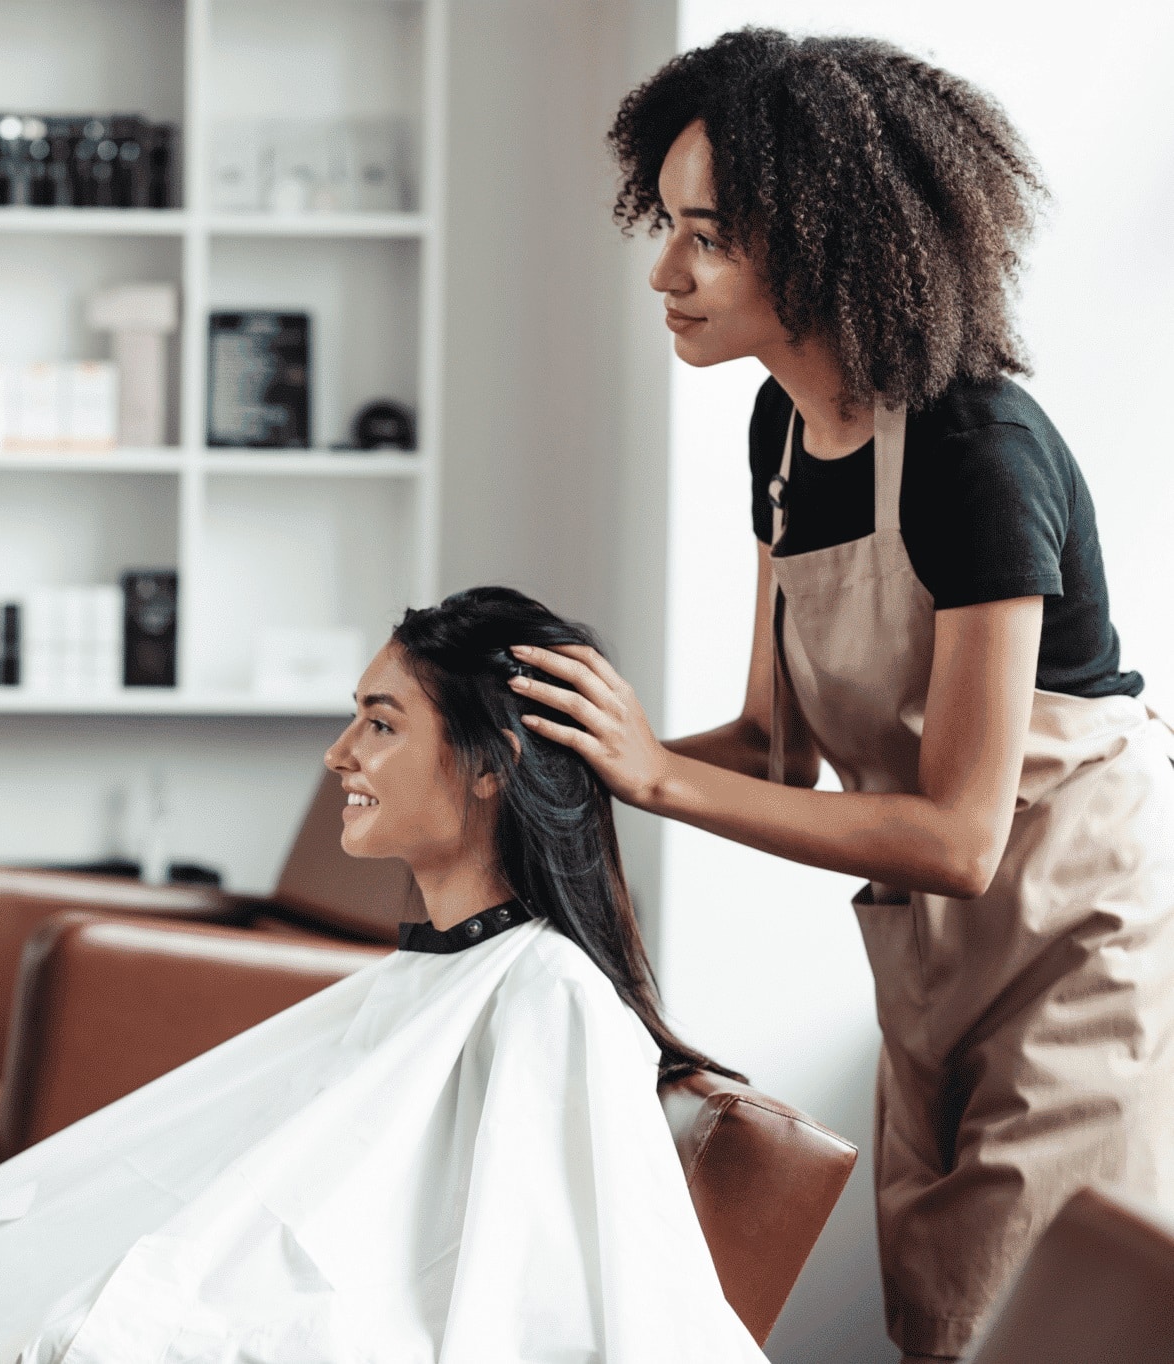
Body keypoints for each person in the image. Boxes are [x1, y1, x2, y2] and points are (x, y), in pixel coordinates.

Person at [506, 28, 1174, 1363]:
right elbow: (772, 746)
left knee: (1025, 1324)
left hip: (1080, 945)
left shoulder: (981, 451)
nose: (667, 271)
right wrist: (554, 761)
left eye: (709, 236)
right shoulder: (785, 431)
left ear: (822, 241)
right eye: (669, 224)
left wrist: (651, 776)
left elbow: (959, 834)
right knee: (936, 1309)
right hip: (933, 956)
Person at [0, 587, 766, 1363]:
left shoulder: (550, 997)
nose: (339, 753)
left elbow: (523, 1304)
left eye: (380, 723)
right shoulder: (443, 969)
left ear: (491, 767)